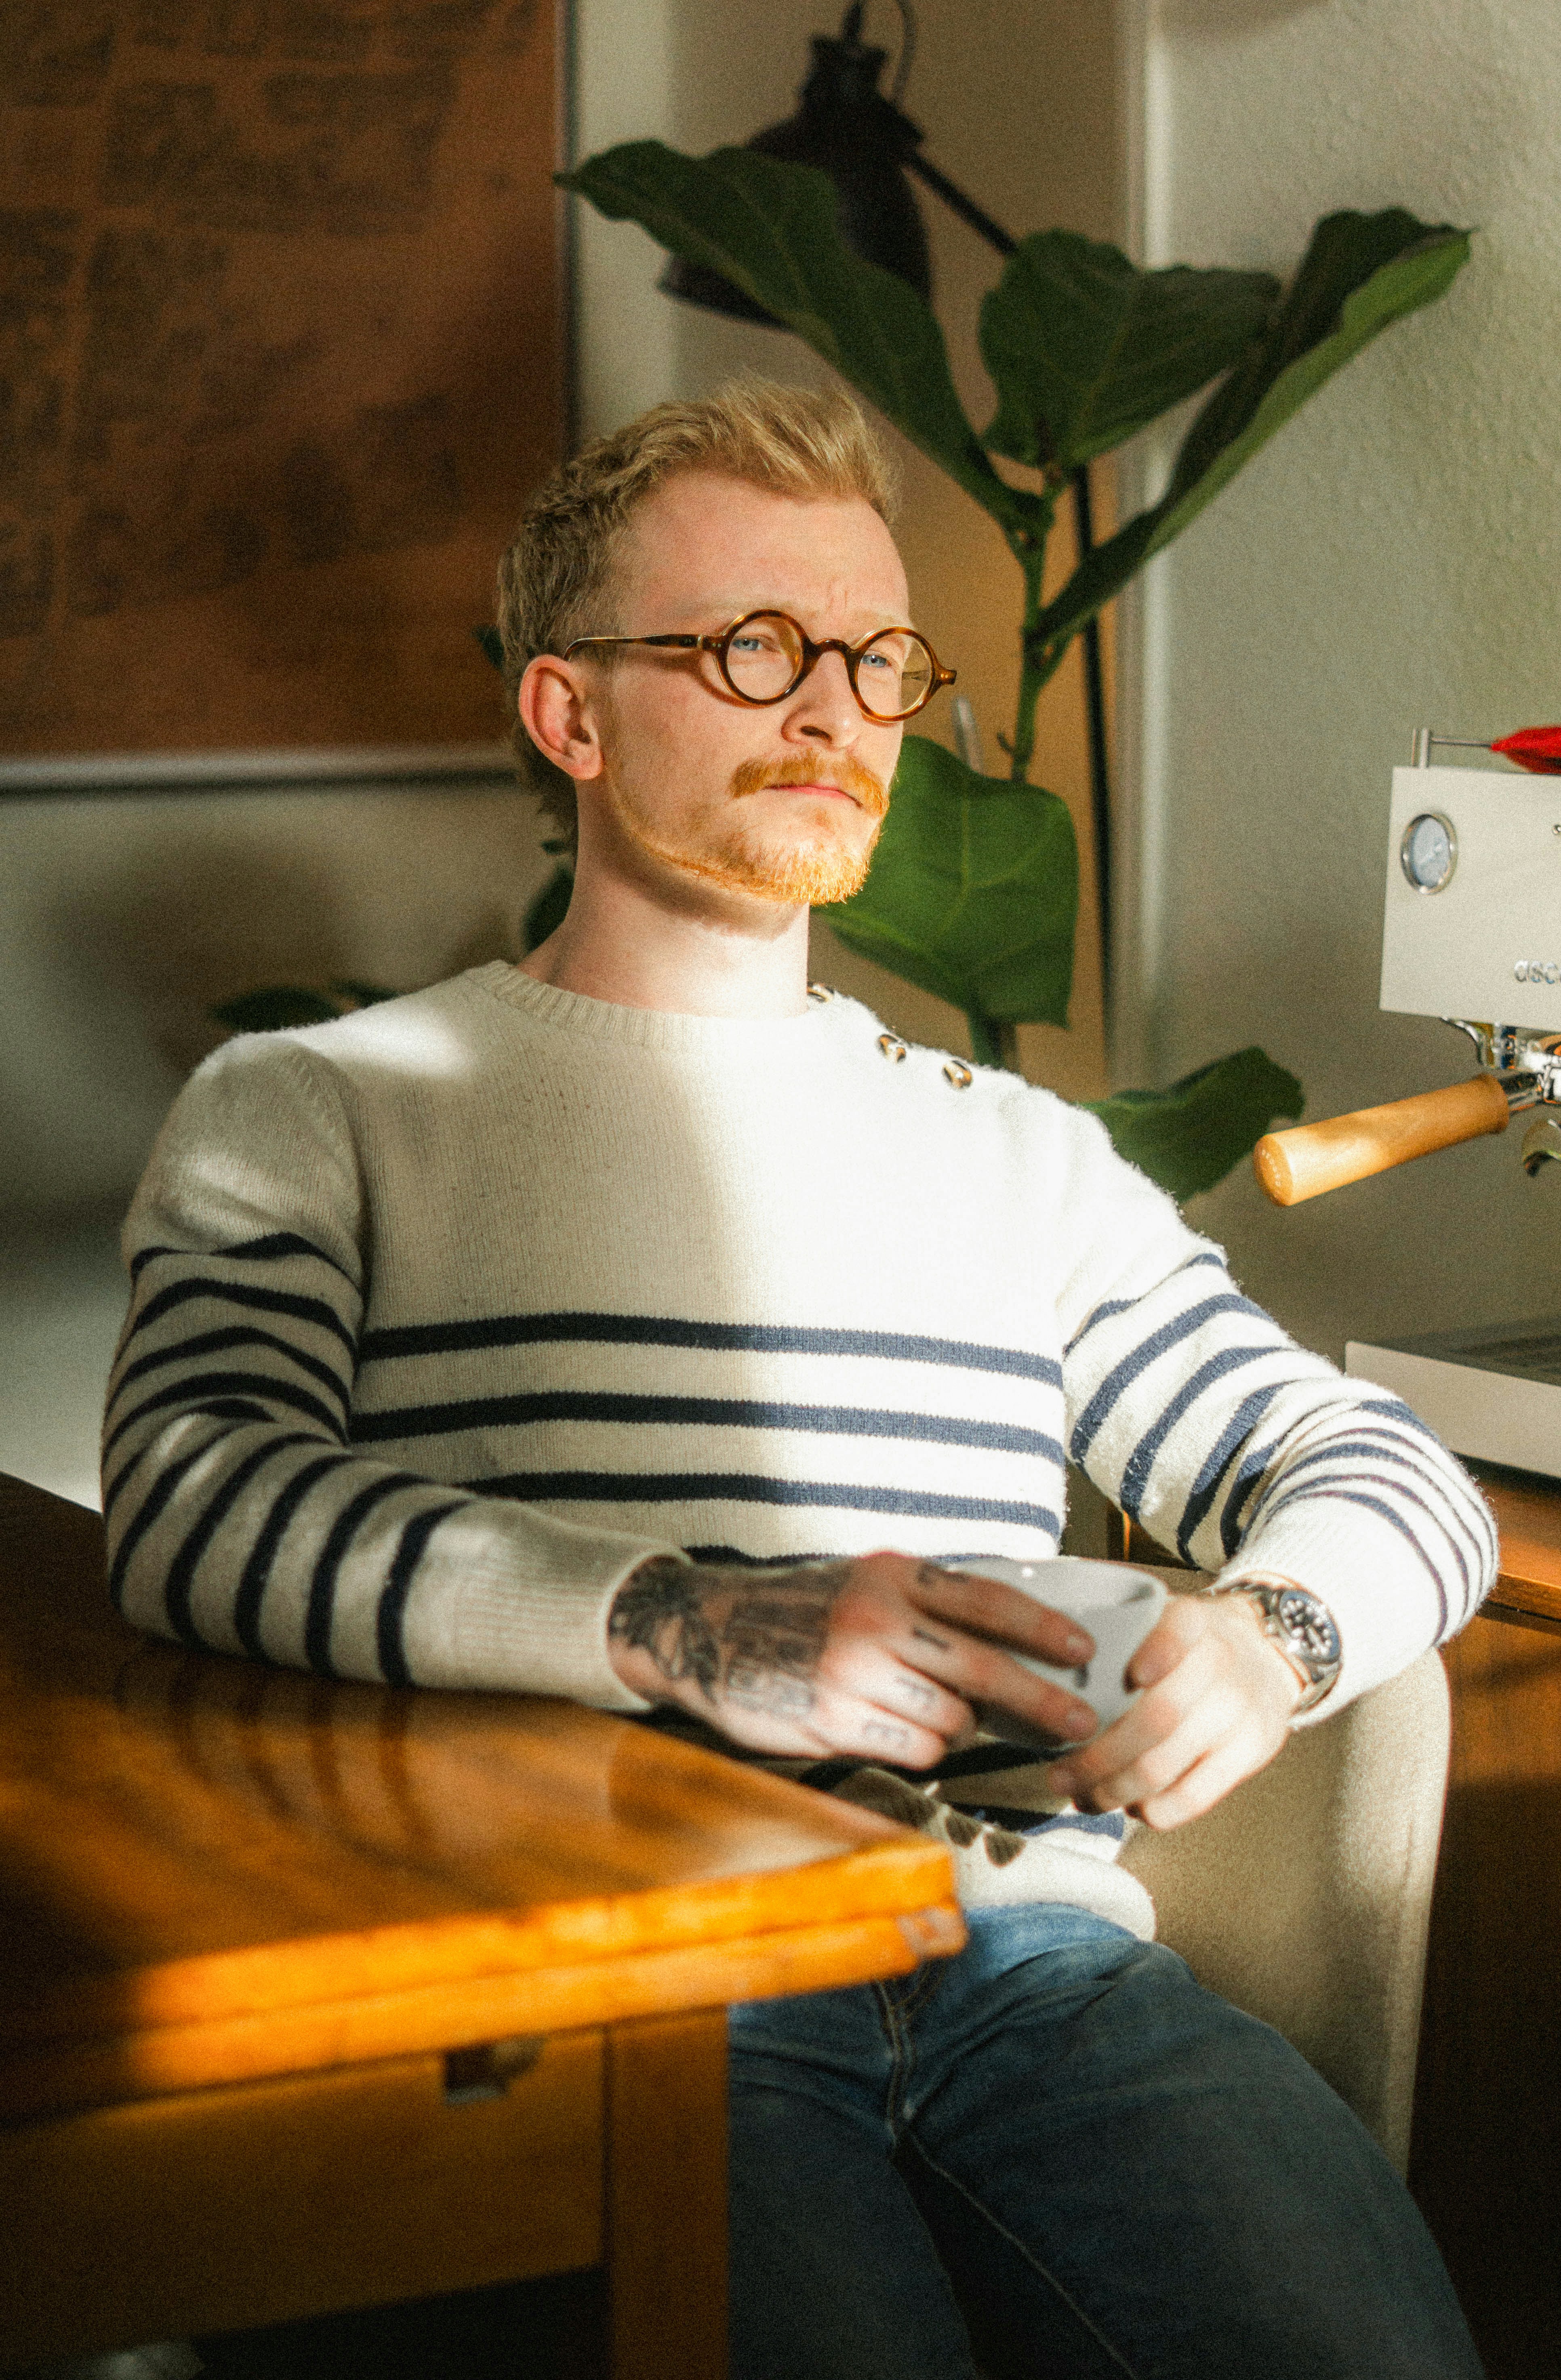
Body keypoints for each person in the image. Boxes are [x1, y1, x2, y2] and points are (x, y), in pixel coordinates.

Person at [105, 380, 1491, 2379]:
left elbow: (1386, 1472)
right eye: (754, 649)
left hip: (1029, 1966)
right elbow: (192, 1499)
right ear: (566, 714)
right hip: (617, 1982)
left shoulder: (1014, 1154)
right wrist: (703, 1628)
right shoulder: (325, 1105)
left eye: (874, 660)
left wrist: (1270, 1638)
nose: (835, 712)